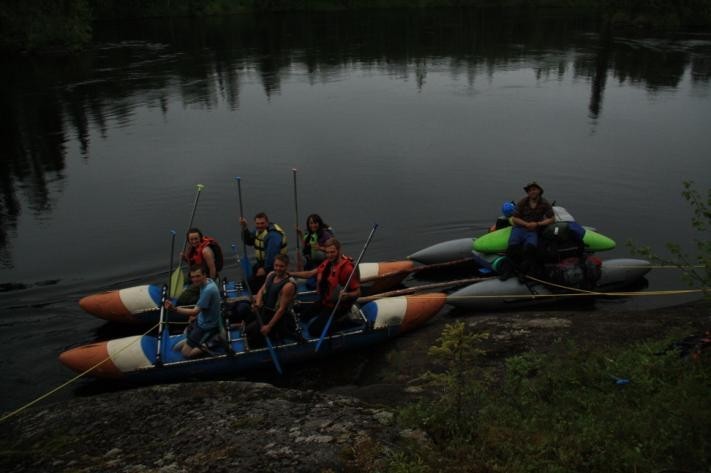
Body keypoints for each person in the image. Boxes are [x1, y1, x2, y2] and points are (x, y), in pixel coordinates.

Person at [290, 238, 361, 338]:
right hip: (325, 302)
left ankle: (344, 320)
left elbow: (358, 292)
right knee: (303, 317)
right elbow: (310, 273)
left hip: (337, 308)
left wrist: (348, 295)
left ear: (339, 251)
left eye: (332, 252)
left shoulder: (347, 269)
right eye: (327, 252)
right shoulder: (327, 263)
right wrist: (290, 273)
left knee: (314, 331)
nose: (329, 255)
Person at [165, 265, 222, 358]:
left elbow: (195, 312)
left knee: (185, 354)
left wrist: (174, 309)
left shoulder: (208, 290)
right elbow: (202, 308)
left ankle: (209, 344)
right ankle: (194, 341)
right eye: (193, 277)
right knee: (176, 348)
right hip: (202, 320)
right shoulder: (208, 282)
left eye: (198, 276)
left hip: (206, 326)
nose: (195, 279)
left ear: (204, 275)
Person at [505, 181, 555, 280]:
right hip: (520, 228)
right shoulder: (523, 201)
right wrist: (526, 224)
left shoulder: (544, 203)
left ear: (539, 191)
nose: (532, 192)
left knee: (530, 249)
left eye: (534, 189)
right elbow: (514, 218)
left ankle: (523, 272)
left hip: (533, 230)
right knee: (512, 247)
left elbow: (552, 219)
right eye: (529, 190)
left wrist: (538, 224)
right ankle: (508, 270)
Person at [244, 254, 297, 348]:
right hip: (265, 311)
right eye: (276, 265)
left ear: (286, 266)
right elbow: (261, 290)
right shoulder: (271, 275)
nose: (278, 268)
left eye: (281, 266)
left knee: (253, 334)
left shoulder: (288, 285)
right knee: (247, 326)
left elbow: (281, 310)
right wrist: (258, 303)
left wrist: (269, 326)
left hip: (278, 317)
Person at [240, 212, 288, 292]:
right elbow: (248, 241)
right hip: (262, 263)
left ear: (267, 222)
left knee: (252, 285)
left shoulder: (273, 235)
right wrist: (245, 228)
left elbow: (272, 255)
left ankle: (259, 296)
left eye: (262, 223)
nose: (260, 226)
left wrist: (265, 269)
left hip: (275, 266)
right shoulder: (258, 231)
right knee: (246, 282)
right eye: (257, 223)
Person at [176, 228, 222, 306]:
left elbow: (212, 268)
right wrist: (185, 259)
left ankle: (202, 298)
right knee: (178, 282)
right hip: (196, 275)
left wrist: (210, 285)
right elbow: (195, 264)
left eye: (196, 239)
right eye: (191, 239)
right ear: (188, 240)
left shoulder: (206, 251)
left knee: (182, 299)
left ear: (200, 238)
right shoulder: (193, 248)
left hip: (205, 278)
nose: (194, 241)